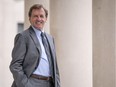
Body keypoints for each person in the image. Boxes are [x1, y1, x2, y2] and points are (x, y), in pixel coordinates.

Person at [9, 4, 60, 87]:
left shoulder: (50, 38)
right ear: (29, 18)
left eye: (41, 16)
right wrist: (25, 84)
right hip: (32, 83)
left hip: (50, 83)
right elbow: (15, 65)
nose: (39, 19)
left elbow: (55, 67)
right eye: (35, 16)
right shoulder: (23, 37)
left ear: (46, 18)